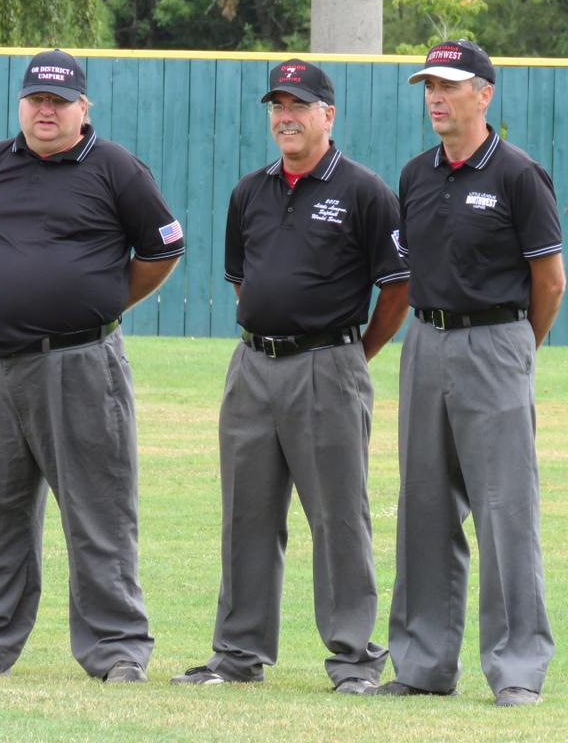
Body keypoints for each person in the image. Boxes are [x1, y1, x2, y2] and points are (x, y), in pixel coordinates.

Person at [0, 49, 184, 683]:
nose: (47, 109)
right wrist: (3, 289)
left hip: (78, 364)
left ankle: (117, 648)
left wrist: (94, 300)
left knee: (99, 510)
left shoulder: (116, 168)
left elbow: (162, 249)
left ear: (83, 108)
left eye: (60, 101)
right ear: (22, 102)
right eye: (37, 98)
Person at [171, 59, 409, 695]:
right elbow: (245, 280)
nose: (286, 117)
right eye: (277, 105)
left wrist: (357, 353)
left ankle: (354, 660)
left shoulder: (364, 190)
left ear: (327, 115)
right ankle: (238, 655)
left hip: (328, 365)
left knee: (338, 516)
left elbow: (398, 287)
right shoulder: (250, 191)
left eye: (299, 106)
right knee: (247, 515)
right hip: (252, 366)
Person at [376, 40, 565, 705]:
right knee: (423, 510)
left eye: (450, 86)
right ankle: (423, 667)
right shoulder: (415, 175)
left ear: (484, 94)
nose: (436, 96)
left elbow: (551, 281)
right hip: (426, 343)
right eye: (429, 85)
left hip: (496, 342)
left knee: (505, 512)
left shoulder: (518, 175)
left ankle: (516, 671)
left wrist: (516, 347)